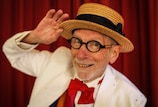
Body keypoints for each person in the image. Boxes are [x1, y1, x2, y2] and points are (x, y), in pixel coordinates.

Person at [3, 3, 147, 107]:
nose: (81, 54)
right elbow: (13, 53)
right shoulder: (57, 59)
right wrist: (34, 37)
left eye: (94, 44)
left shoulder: (131, 100)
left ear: (114, 53)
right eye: (77, 41)